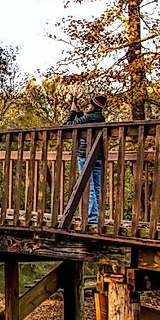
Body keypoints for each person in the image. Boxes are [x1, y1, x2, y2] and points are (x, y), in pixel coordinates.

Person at [64, 95, 107, 224]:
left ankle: (92, 218)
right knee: (96, 186)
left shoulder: (89, 117)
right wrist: (79, 113)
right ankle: (96, 217)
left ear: (93, 106)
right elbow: (84, 122)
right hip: (98, 156)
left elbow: (67, 126)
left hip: (85, 156)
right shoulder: (100, 118)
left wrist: (72, 112)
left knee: (89, 186)